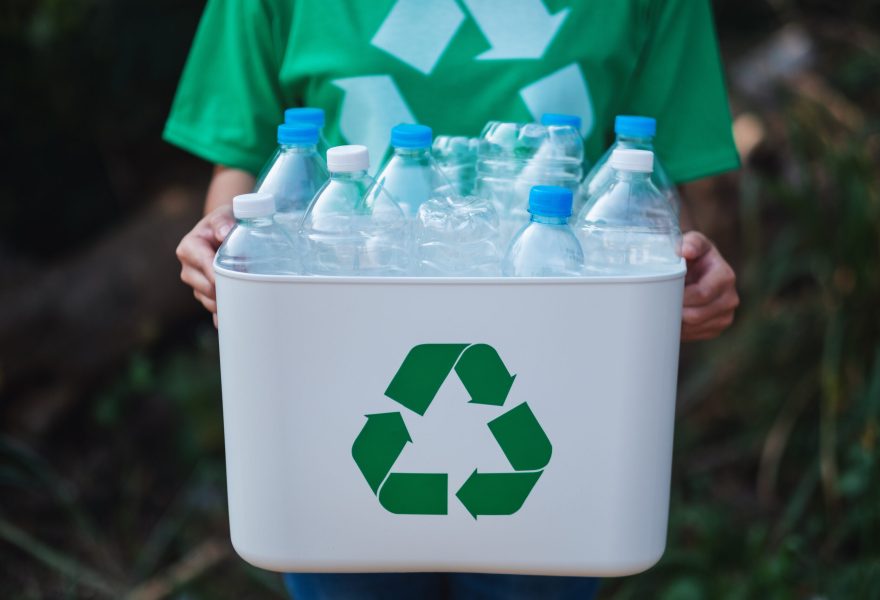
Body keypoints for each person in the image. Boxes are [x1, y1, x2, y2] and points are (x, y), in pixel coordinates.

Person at [169, 0, 740, 597]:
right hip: (333, 379)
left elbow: (666, 196)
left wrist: (689, 282)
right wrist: (225, 246)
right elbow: (238, 168)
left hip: (560, 380)